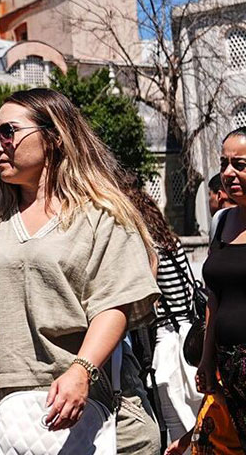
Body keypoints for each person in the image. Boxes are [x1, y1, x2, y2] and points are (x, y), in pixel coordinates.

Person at [0, 88, 160, 453]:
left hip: (103, 411)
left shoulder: (102, 215)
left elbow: (115, 305)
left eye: (8, 133)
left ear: (54, 136)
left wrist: (81, 371)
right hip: (18, 423)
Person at [120, 175, 203, 444]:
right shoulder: (174, 242)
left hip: (168, 337)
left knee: (174, 417)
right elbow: (189, 289)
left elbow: (148, 298)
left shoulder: (149, 251)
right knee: (194, 408)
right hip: (190, 329)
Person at [193, 127, 246, 449]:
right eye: (224, 163)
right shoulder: (222, 221)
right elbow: (215, 296)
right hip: (229, 369)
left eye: (240, 164)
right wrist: (206, 357)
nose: (228, 173)